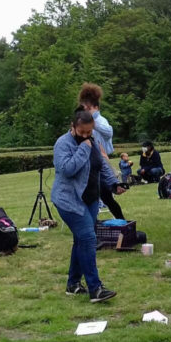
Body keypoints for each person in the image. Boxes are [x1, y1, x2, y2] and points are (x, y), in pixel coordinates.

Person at [51, 111, 125, 303]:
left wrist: (114, 184)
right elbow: (67, 169)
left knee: (81, 240)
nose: (86, 135)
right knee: (89, 238)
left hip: (91, 199)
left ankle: (73, 284)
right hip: (69, 200)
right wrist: (84, 148)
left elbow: (101, 165)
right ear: (73, 127)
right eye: (82, 132)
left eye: (89, 132)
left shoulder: (92, 142)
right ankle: (95, 289)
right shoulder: (63, 144)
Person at [78, 83, 126, 220]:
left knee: (106, 197)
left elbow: (109, 132)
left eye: (88, 107)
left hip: (102, 162)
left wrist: (92, 120)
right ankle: (93, 224)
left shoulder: (100, 121)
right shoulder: (82, 122)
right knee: (97, 197)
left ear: (96, 107)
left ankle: (121, 222)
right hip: (89, 164)